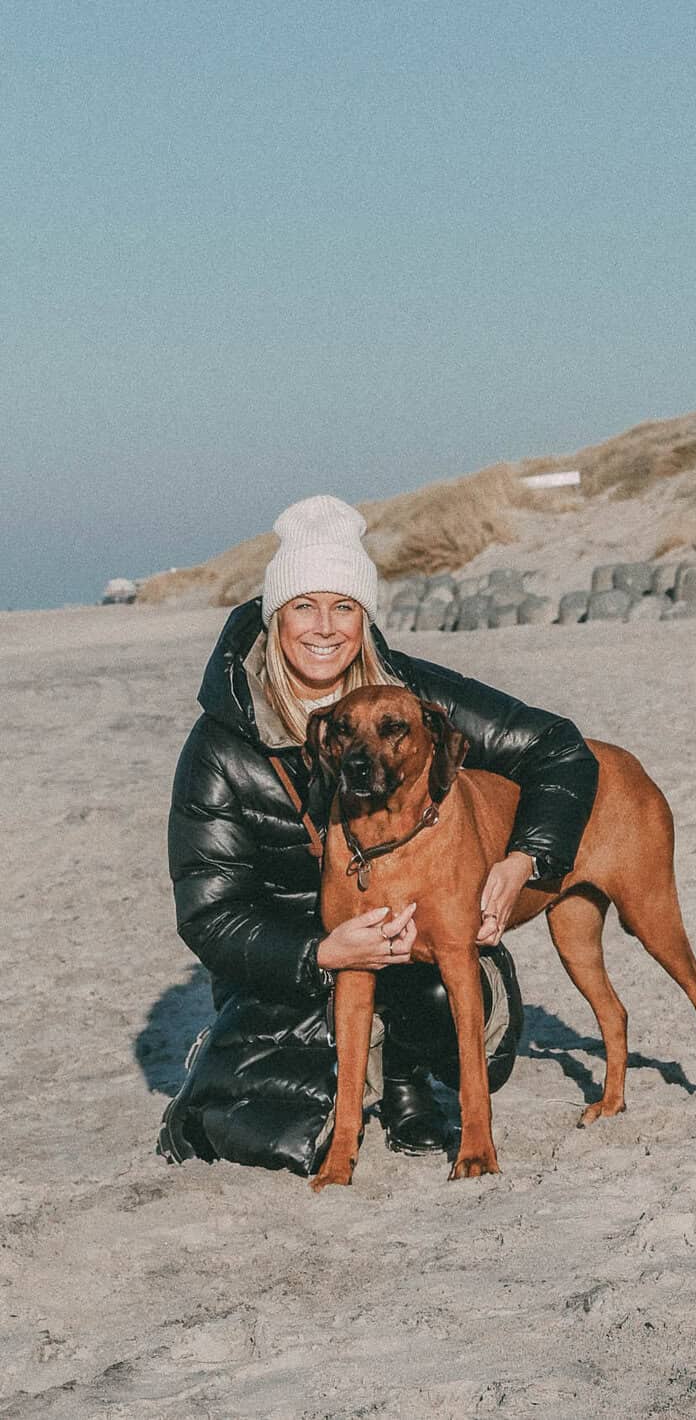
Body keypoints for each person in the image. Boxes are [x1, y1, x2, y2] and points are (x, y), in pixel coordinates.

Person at [158, 495, 599, 1174]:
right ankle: (250, 1060)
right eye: (305, 606)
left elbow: (558, 749)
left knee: (439, 994)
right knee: (264, 1136)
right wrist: (320, 950)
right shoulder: (221, 745)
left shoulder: (412, 696)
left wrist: (526, 858)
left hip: (426, 942)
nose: (324, 628)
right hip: (298, 971)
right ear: (277, 617)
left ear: (365, 619)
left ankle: (404, 1079)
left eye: (344, 607)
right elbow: (210, 912)